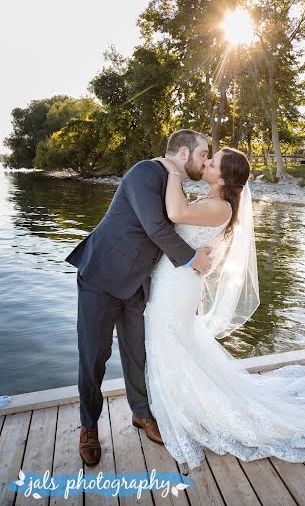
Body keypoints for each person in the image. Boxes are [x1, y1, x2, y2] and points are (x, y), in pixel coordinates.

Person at [143, 146, 305, 471]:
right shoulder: (211, 201)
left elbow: (176, 215)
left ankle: (189, 404)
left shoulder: (220, 207)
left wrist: (172, 170)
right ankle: (182, 399)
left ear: (223, 177)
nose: (206, 163)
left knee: (167, 335)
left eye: (213, 162)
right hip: (176, 279)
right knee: (175, 341)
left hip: (177, 286)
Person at [65, 129, 213, 466]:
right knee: (94, 357)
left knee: (137, 353)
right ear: (185, 153)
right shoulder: (144, 173)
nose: (205, 160)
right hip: (101, 277)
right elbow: (156, 228)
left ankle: (141, 414)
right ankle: (88, 426)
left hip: (136, 283)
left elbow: (176, 223)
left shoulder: (172, 180)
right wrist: (193, 259)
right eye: (204, 154)